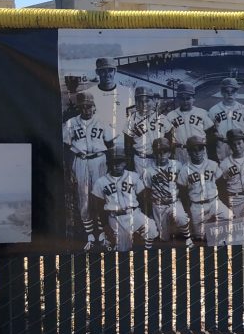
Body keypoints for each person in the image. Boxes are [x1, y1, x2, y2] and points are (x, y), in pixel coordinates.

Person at [62, 92, 115, 248]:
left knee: (101, 197)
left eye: (89, 106)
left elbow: (110, 145)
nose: (86, 110)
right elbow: (66, 146)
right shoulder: (71, 123)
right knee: (83, 199)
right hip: (81, 161)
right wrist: (70, 168)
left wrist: (111, 168)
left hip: (99, 161)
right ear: (79, 108)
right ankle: (90, 236)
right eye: (83, 107)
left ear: (94, 107)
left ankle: (103, 235)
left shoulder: (102, 121)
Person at [91, 148, 158, 251]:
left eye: (120, 162)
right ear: (108, 163)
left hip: (134, 214)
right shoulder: (101, 182)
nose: (116, 165)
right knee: (122, 250)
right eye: (113, 162)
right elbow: (99, 207)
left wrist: (146, 215)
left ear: (125, 162)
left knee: (152, 228)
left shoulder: (134, 176)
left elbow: (143, 198)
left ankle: (147, 251)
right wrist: (105, 226)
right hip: (115, 218)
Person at [177, 135, 232, 242]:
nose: (198, 153)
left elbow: (222, 185)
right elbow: (183, 194)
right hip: (197, 206)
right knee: (200, 237)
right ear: (188, 152)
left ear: (204, 150)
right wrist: (188, 212)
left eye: (200, 149)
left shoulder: (212, 164)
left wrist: (224, 203)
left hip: (214, 202)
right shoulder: (184, 170)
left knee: (229, 217)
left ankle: (218, 238)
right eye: (194, 150)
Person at [141, 137, 193, 247]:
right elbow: (147, 191)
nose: (162, 155)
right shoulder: (148, 171)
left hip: (174, 202)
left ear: (169, 153)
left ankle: (188, 238)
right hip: (158, 205)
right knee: (163, 238)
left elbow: (183, 186)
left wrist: (186, 207)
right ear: (154, 154)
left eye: (165, 152)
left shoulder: (177, 165)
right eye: (159, 152)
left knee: (182, 218)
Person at [126, 86, 171, 174]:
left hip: (159, 158)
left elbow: (169, 139)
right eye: (140, 101)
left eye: (147, 101)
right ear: (136, 102)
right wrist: (130, 164)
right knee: (142, 185)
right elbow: (128, 144)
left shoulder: (162, 118)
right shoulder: (131, 121)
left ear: (153, 101)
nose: (144, 104)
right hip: (141, 159)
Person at [166, 82, 210, 166]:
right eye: (182, 98)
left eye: (188, 98)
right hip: (180, 152)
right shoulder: (170, 115)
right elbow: (168, 137)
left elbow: (210, 134)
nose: (185, 101)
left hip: (199, 151)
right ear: (178, 99)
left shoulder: (203, 113)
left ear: (193, 98)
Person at [208, 77, 244, 162]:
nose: (230, 94)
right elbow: (210, 132)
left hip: (239, 145)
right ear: (222, 92)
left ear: (236, 93)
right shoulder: (213, 110)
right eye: (227, 91)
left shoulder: (243, 109)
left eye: (233, 91)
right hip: (222, 145)